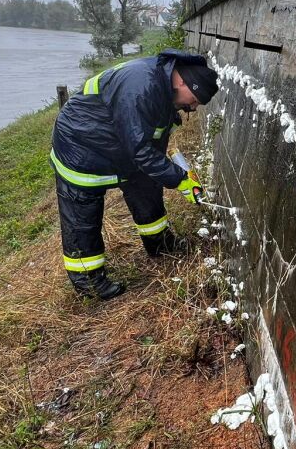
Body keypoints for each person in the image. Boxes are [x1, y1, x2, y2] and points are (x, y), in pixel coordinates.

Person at [50, 48, 219, 300]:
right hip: (81, 146)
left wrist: (169, 170)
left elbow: (150, 143)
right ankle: (90, 283)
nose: (192, 108)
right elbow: (140, 149)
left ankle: (159, 246)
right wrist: (179, 179)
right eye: (194, 99)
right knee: (82, 217)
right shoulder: (139, 87)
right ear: (182, 81)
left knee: (147, 189)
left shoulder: (164, 88)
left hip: (121, 148)